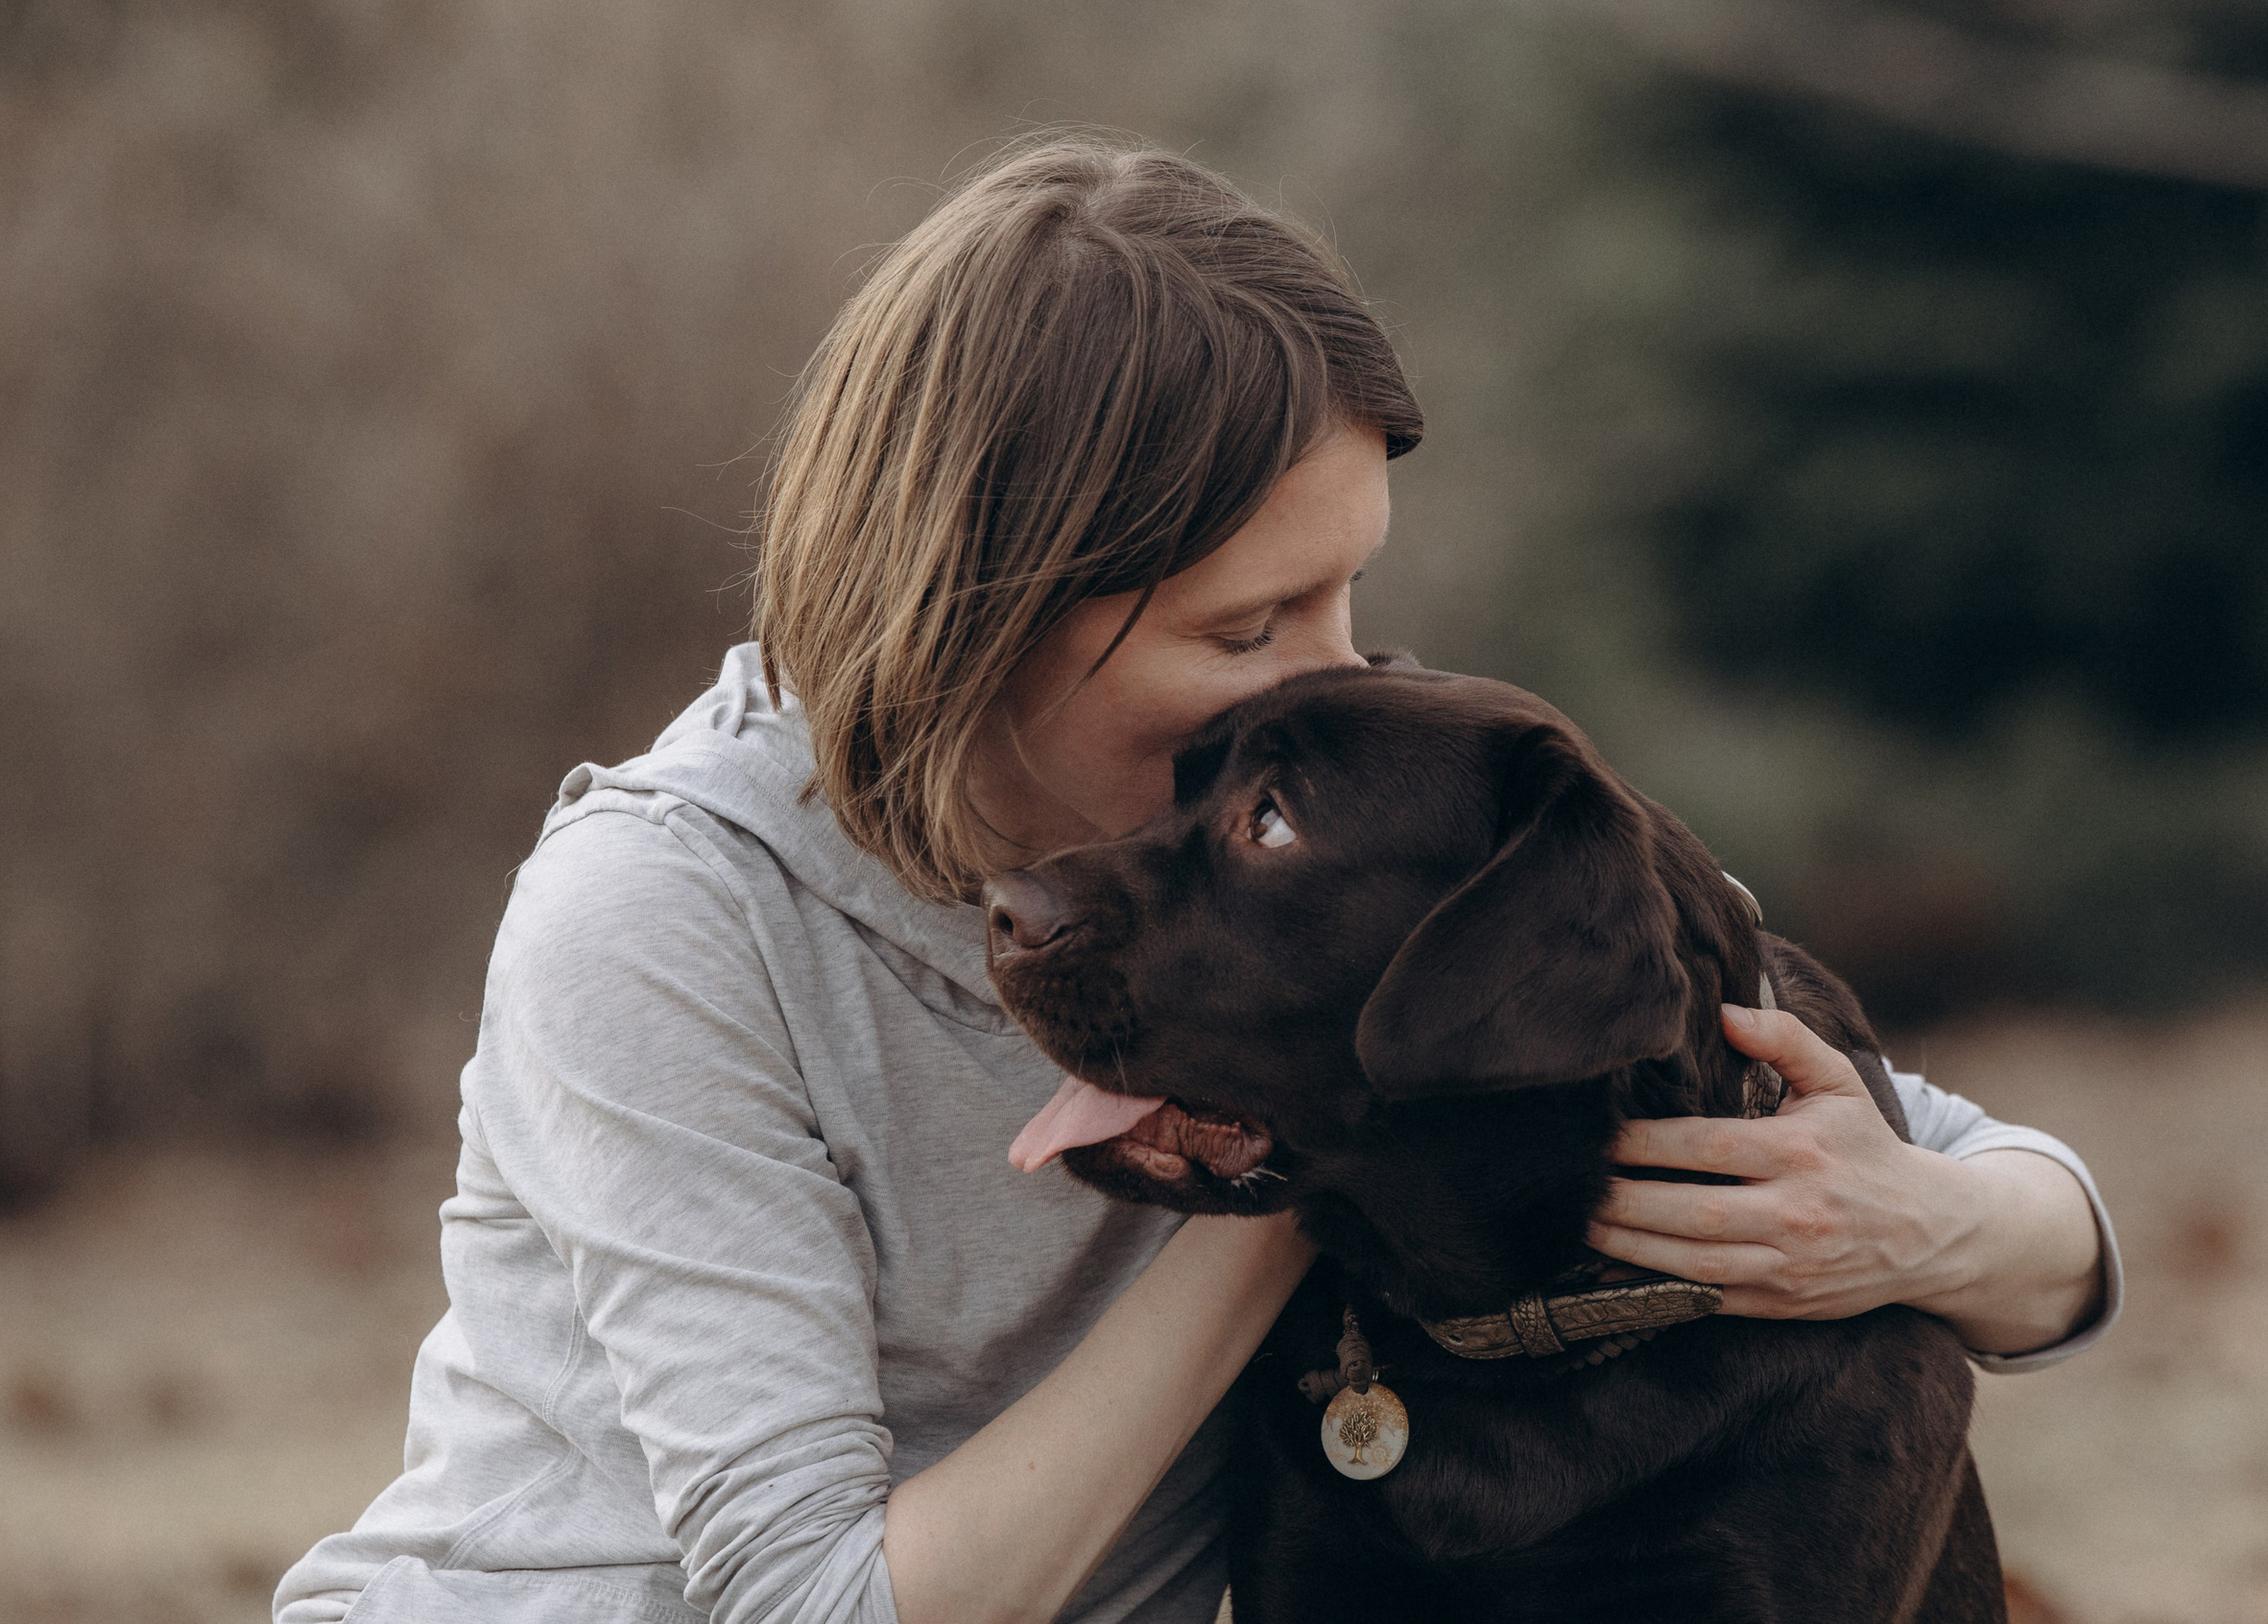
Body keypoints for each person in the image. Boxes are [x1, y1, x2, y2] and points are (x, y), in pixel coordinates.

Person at [275, 137, 2120, 1624]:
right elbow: (813, 1604)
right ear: (978, 610)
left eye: (1349, 593)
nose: (1337, 674)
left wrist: (1934, 1233)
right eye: (1249, 623)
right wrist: (1325, 1163)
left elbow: (1973, 1180)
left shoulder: (1351, 799)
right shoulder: (671, 919)